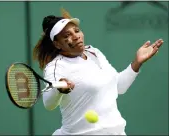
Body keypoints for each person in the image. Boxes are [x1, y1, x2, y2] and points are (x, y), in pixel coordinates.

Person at [33, 12, 163, 135]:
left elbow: (118, 87)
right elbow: (49, 104)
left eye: (77, 31)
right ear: (57, 44)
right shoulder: (56, 67)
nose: (76, 36)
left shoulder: (94, 52)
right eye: (66, 36)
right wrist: (59, 90)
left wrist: (137, 62)